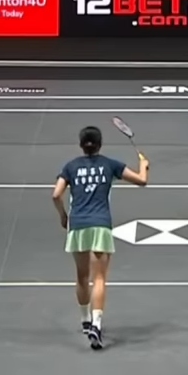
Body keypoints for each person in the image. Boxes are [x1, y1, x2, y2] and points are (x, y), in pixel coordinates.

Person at [52, 126, 150, 350]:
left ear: (81, 145)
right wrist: (144, 167)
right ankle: (96, 324)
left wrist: (63, 216)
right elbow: (141, 181)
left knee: (81, 276)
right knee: (99, 278)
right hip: (100, 225)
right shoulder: (109, 164)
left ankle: (85, 320)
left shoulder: (70, 167)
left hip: (77, 225)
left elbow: (56, 194)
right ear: (100, 144)